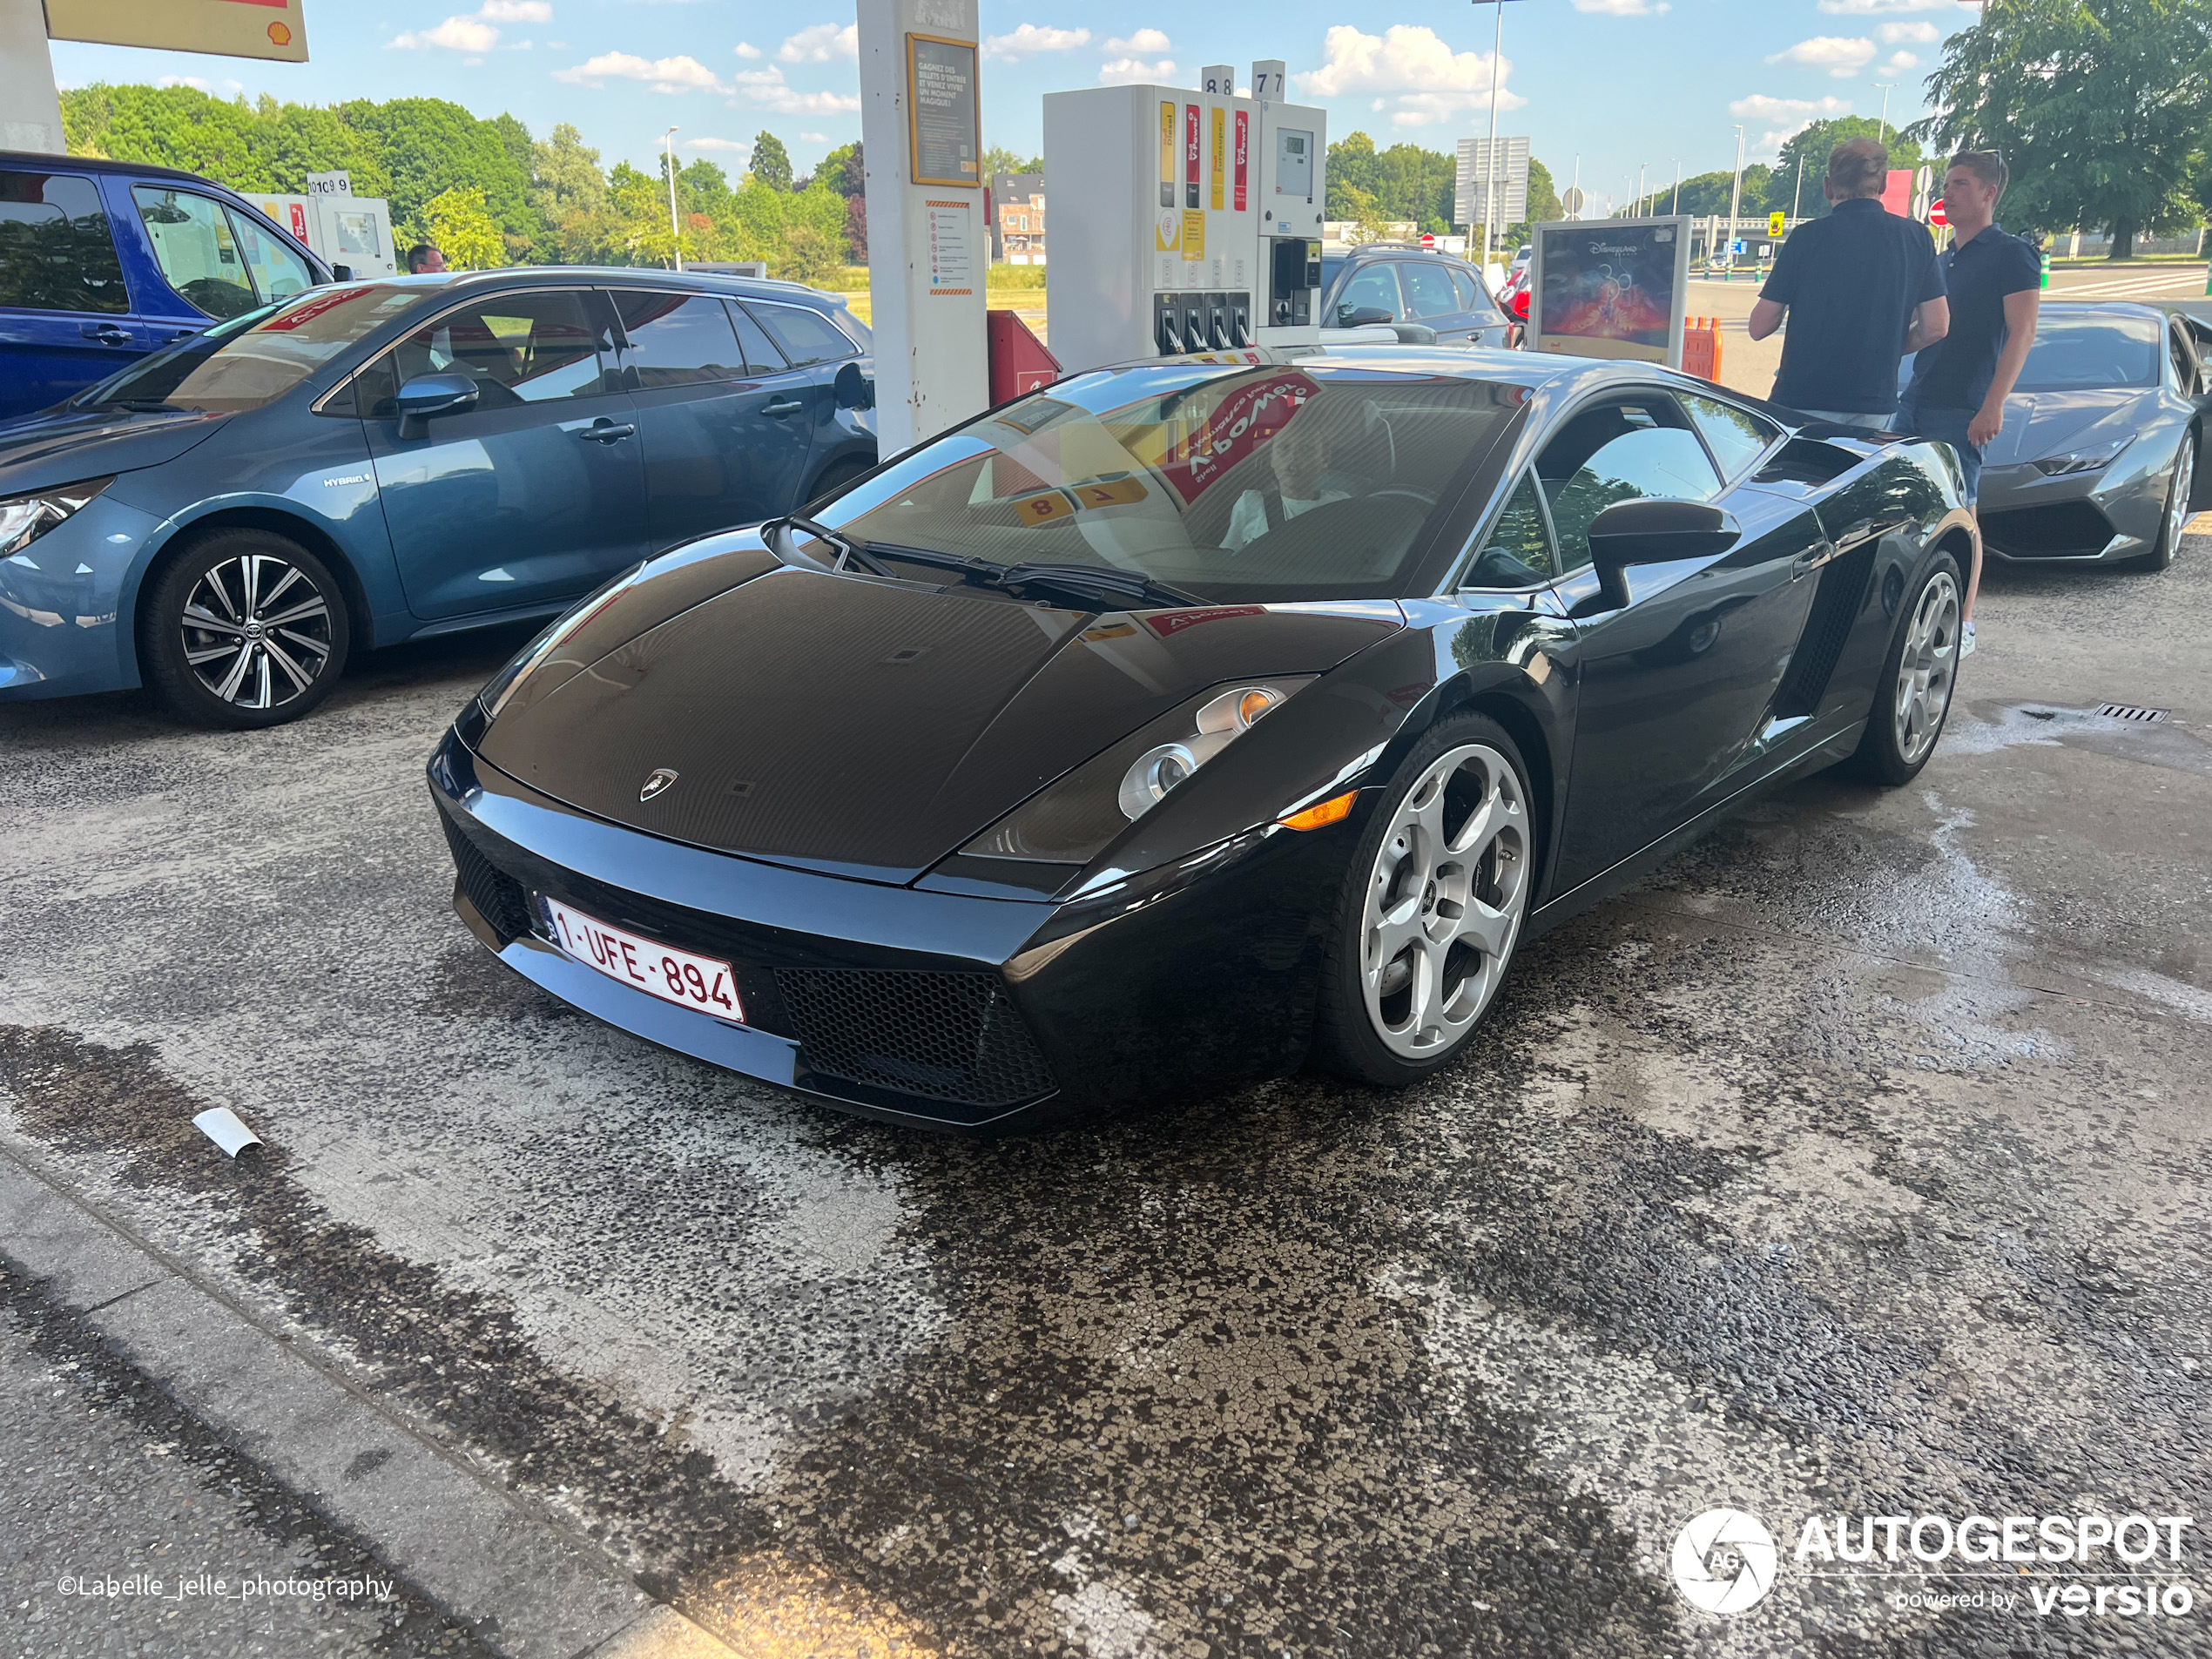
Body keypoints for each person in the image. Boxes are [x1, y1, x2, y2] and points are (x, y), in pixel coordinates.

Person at [1896, 151, 2042, 657]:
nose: (1948, 191)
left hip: (1965, 403)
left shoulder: (2012, 254)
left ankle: (1966, 621)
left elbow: (2023, 332)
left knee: (1962, 510)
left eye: (1960, 183)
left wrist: (1993, 404)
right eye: (1946, 183)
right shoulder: (1942, 258)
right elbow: (1926, 330)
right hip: (1918, 396)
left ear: (1988, 192)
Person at [1747, 138, 1949, 434]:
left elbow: (1759, 326)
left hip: (1802, 400)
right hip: (1874, 403)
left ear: (1828, 186)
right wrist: (1888, 348)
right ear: (1883, 185)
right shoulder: (1915, 238)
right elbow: (1937, 326)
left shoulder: (1806, 238)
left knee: (1801, 479)